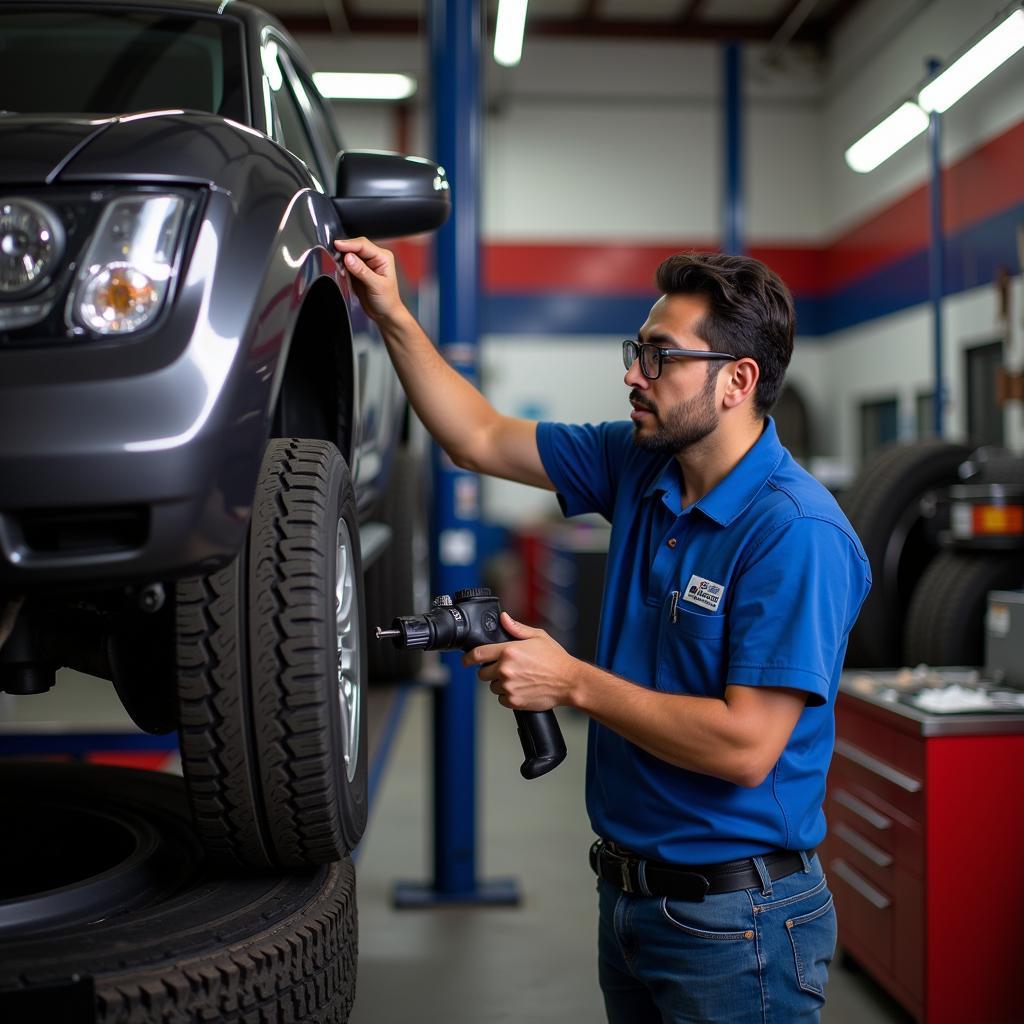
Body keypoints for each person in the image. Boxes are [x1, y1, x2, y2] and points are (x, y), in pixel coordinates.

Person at [334, 235, 871, 1024]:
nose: (632, 374)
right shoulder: (642, 464)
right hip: (628, 900)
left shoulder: (795, 533)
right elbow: (476, 435)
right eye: (636, 350)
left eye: (659, 356)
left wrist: (573, 680)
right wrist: (391, 313)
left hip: (736, 925)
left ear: (738, 381)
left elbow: (746, 745)